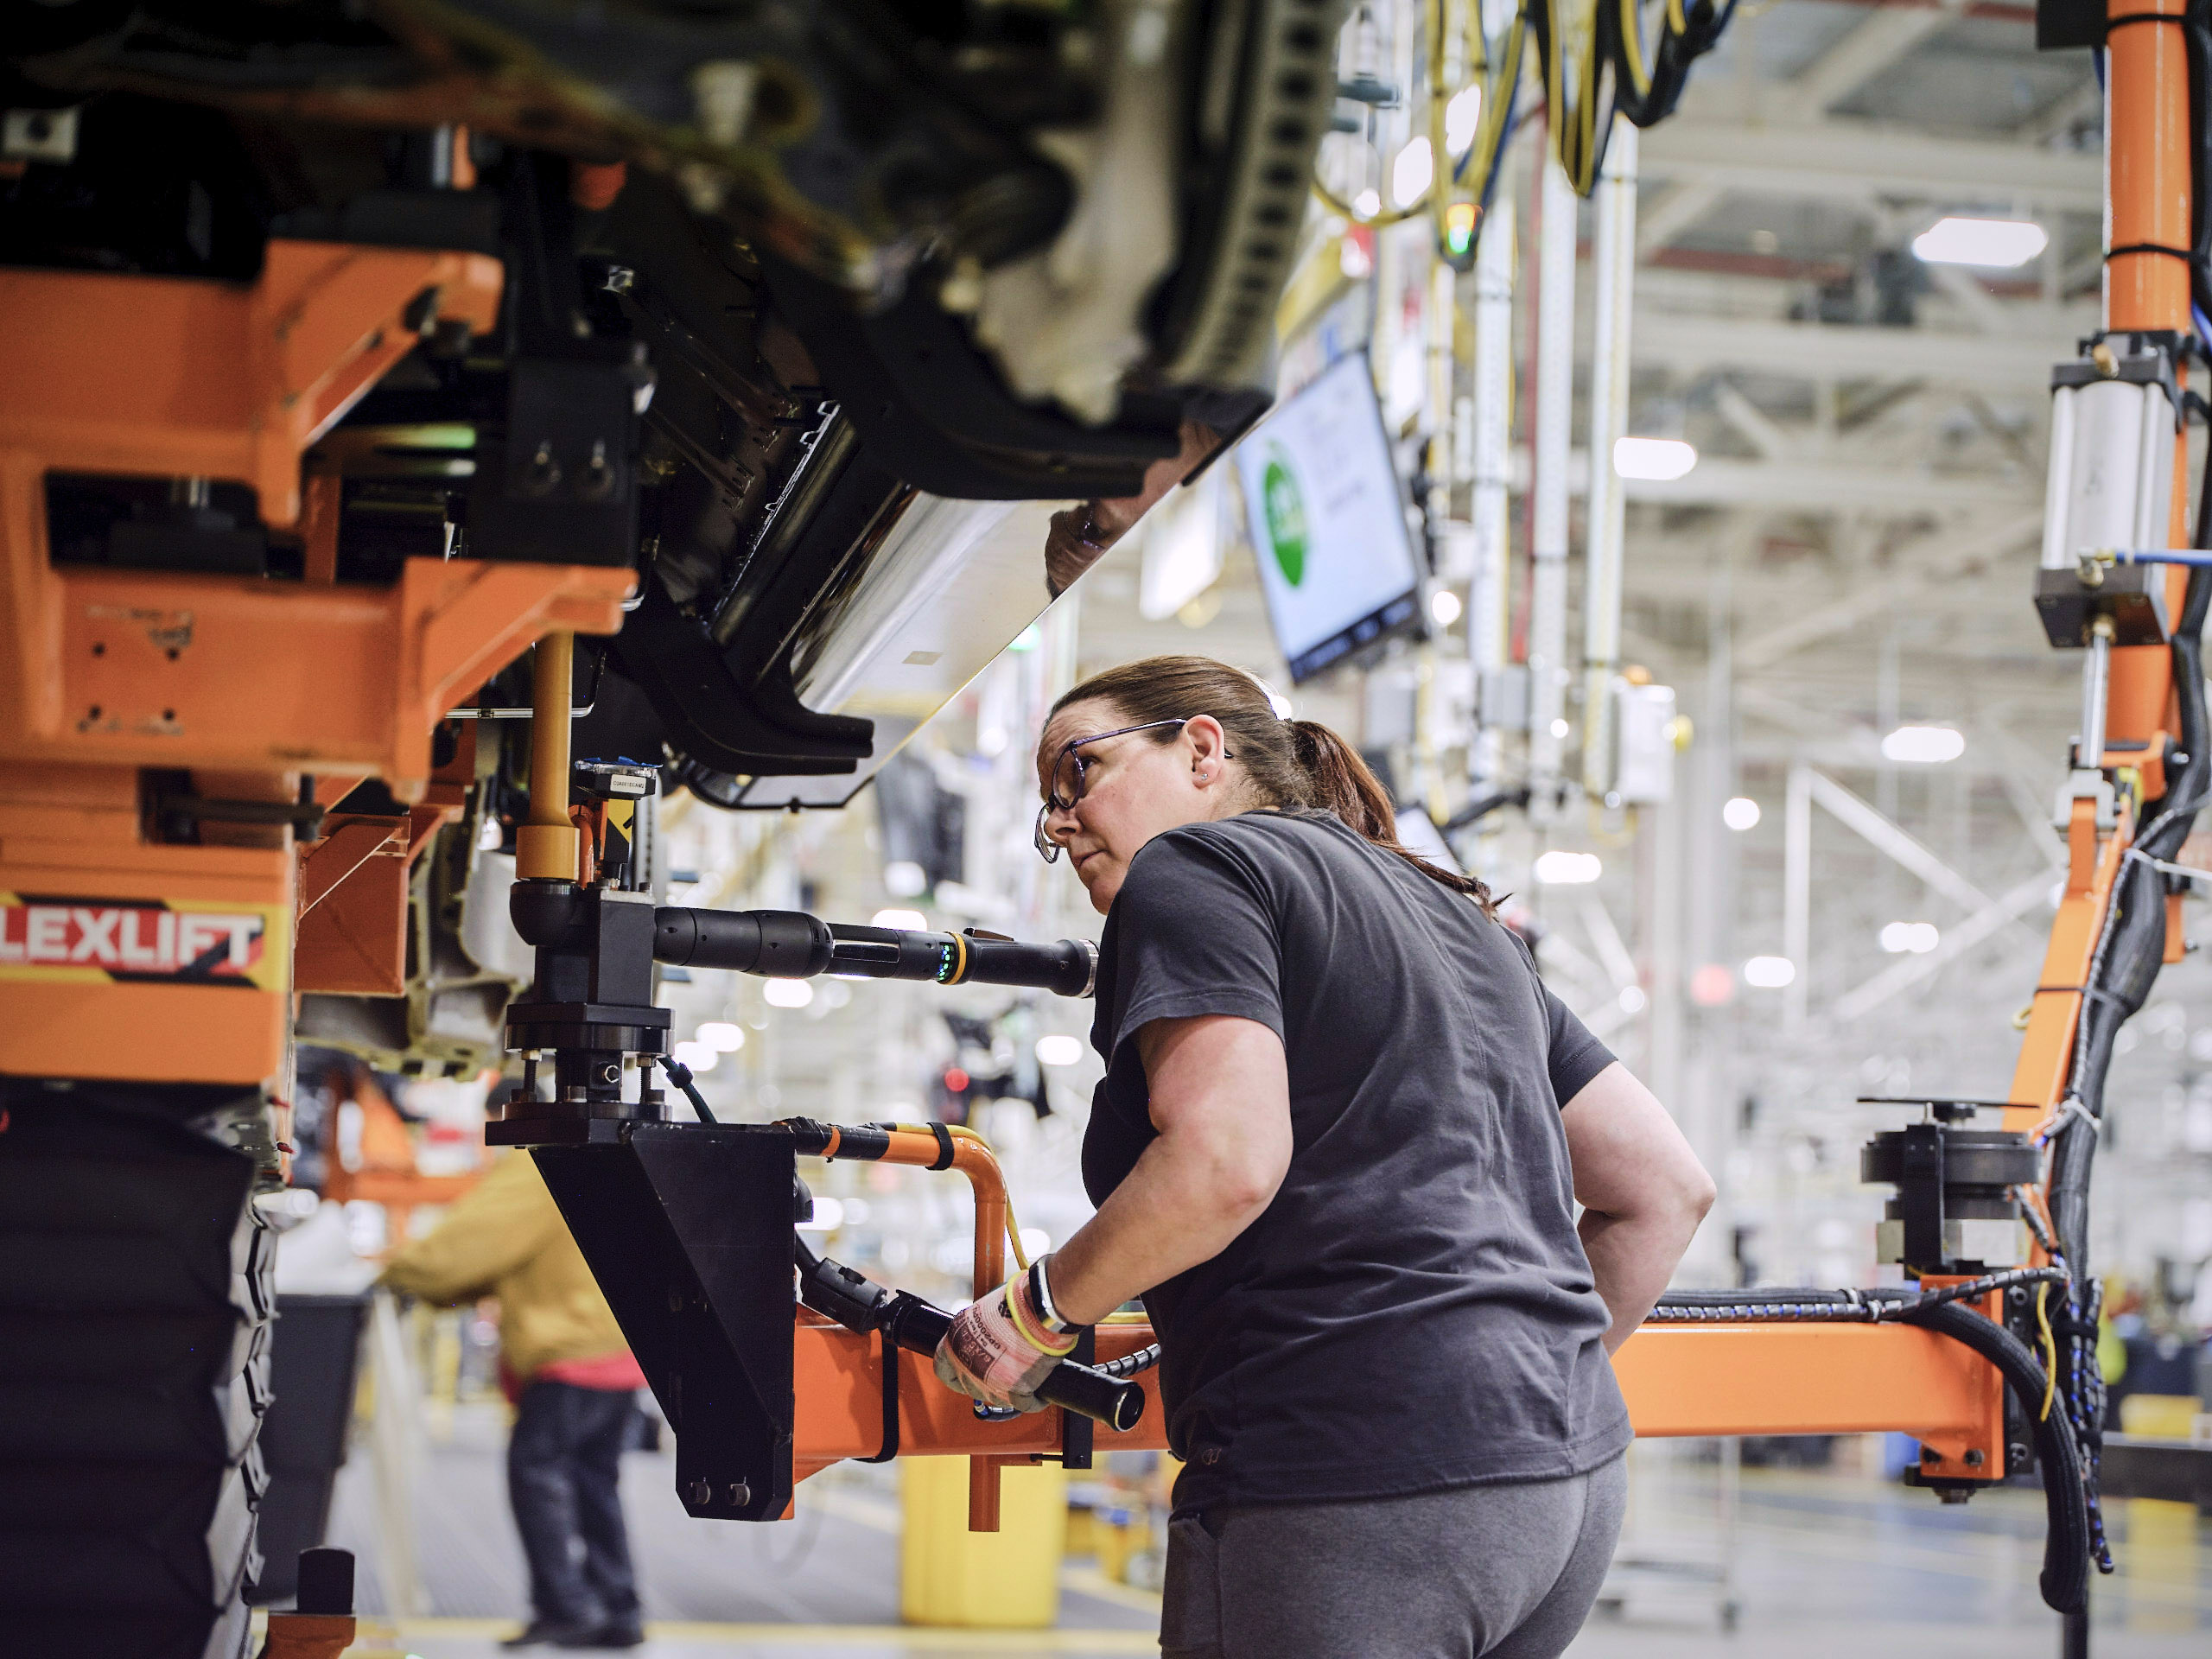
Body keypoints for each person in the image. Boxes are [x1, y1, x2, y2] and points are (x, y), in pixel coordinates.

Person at [935, 655, 1713, 1659]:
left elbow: (1226, 1161)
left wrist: (1037, 1314)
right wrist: (1506, 1387)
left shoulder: (1195, 869)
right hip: (1565, 1486)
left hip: (1350, 1484)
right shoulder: (1455, 913)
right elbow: (1665, 1191)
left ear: (1201, 749)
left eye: (1077, 771)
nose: (1056, 820)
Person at [381, 1150, 647, 1649]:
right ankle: (619, 1607)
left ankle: (566, 1608)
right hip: (617, 1352)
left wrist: (399, 1273)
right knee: (595, 1484)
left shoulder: (536, 1166)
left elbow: (466, 1246)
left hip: (568, 1354)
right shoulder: (597, 1168)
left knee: (536, 1475)